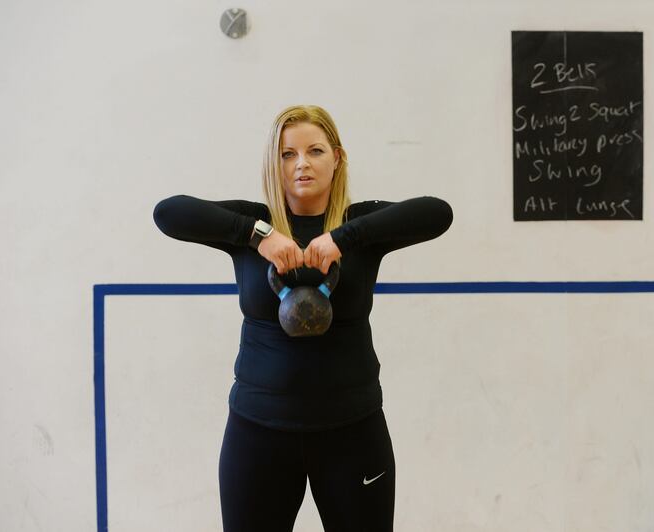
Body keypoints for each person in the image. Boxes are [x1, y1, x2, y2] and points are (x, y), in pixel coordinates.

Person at [152, 104, 453, 532]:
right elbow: (168, 212)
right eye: (287, 154)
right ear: (273, 164)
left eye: (314, 151)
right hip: (258, 432)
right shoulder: (253, 224)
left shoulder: (362, 225)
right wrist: (258, 236)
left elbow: (438, 212)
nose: (301, 164)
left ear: (337, 158)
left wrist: (344, 237)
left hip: (353, 432)